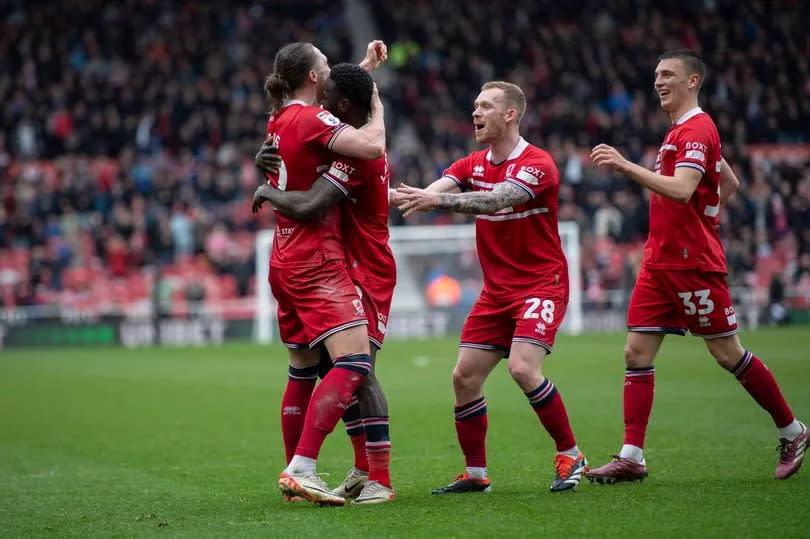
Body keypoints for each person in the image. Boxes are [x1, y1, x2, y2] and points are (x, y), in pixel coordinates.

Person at [585, 49, 807, 483]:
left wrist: (626, 165)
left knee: (727, 353)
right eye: (655, 75)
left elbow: (685, 189)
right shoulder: (679, 133)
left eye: (668, 74)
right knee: (636, 351)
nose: (658, 82)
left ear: (693, 81)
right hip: (659, 262)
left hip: (692, 265)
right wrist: (710, 210)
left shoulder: (697, 129)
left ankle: (793, 430)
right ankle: (632, 455)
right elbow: (729, 182)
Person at [395, 81, 588, 493]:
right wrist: (389, 195)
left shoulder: (537, 164)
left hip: (541, 285)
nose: (475, 113)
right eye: (474, 106)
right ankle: (476, 474)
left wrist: (438, 203)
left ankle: (571, 455)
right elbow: (427, 194)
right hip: (496, 292)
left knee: (522, 367)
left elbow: (496, 200)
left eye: (485, 106)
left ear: (510, 114)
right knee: (464, 377)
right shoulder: (471, 163)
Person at [253, 62, 396, 505]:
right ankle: (352, 470)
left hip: (364, 268)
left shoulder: (354, 151)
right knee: (334, 369)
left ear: (346, 106)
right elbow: (327, 90)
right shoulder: (336, 132)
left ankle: (376, 478)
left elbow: (314, 202)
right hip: (331, 262)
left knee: (357, 372)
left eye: (330, 102)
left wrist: (271, 190)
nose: (323, 107)